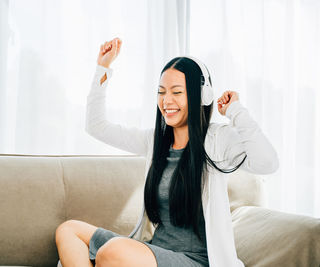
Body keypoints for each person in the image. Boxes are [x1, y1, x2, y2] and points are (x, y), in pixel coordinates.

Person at [55, 37, 279, 267]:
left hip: (195, 260)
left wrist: (235, 111)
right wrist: (104, 68)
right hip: (153, 252)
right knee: (69, 230)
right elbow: (97, 126)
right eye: (161, 92)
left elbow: (268, 163)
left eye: (176, 92)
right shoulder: (155, 141)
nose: (166, 100)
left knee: (112, 252)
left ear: (202, 96)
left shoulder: (217, 141)